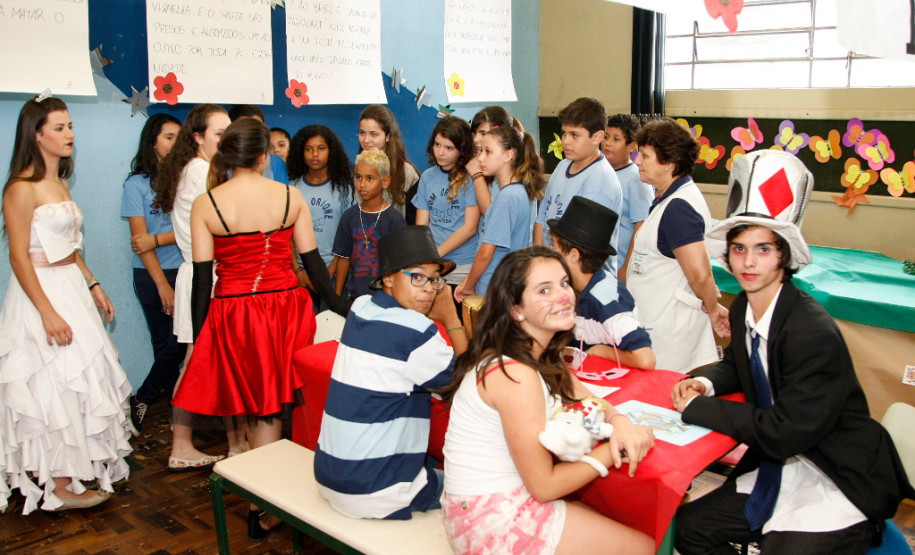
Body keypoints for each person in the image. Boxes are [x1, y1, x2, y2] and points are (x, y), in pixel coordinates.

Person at [672, 150, 914, 555]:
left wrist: (695, 408)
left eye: (763, 250)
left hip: (836, 477)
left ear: (784, 256)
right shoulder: (745, 307)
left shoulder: (811, 332)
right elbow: (738, 363)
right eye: (739, 248)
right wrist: (704, 382)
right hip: (778, 469)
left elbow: (783, 431)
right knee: (688, 529)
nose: (748, 262)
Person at [170, 117, 348, 540]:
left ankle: (260, 498)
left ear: (227, 156)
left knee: (250, 403)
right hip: (285, 307)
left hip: (233, 311)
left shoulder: (207, 203)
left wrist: (200, 337)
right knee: (271, 404)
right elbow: (315, 267)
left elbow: (201, 279)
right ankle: (263, 506)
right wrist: (344, 307)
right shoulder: (289, 196)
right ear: (265, 156)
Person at [440, 246, 655, 554]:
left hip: (487, 503)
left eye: (565, 283)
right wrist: (614, 449)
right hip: (491, 521)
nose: (564, 295)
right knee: (644, 546)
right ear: (517, 310)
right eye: (544, 290)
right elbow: (545, 487)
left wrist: (620, 422)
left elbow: (591, 399)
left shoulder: (536, 357)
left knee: (614, 521)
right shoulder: (515, 374)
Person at [0, 95, 134, 514]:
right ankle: (57, 486)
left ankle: (72, 468)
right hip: (40, 292)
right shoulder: (21, 188)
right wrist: (46, 312)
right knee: (53, 380)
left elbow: (69, 246)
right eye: (59, 127)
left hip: (70, 286)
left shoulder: (59, 183)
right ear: (36, 134)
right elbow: (19, 256)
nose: (70, 134)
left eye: (70, 125)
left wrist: (93, 283)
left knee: (83, 376)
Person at [315, 226, 468, 519]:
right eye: (417, 276)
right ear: (387, 278)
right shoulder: (418, 332)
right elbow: (472, 383)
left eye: (434, 279)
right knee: (480, 486)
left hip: (330, 473)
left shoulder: (360, 308)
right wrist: (450, 318)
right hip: (375, 489)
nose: (428, 288)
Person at [154, 103, 232, 469]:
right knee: (194, 364)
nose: (226, 139)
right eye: (219, 133)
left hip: (207, 273)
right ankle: (181, 444)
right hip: (206, 276)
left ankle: (224, 442)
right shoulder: (201, 171)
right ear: (198, 137)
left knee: (209, 363)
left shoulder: (202, 169)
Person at [626, 117, 729, 373]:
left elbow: (701, 275)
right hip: (656, 320)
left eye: (645, 156)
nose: (637, 161)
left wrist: (714, 309)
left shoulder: (678, 208)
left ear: (669, 164)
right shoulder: (667, 199)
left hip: (668, 331)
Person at [120, 113, 187, 433]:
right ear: (153, 142)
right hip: (151, 274)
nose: (175, 144)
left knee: (180, 342)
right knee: (166, 343)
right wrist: (162, 284)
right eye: (169, 137)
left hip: (185, 268)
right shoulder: (135, 184)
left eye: (179, 137)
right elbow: (139, 242)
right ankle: (174, 413)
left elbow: (193, 229)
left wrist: (159, 238)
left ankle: (146, 397)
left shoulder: (187, 178)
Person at [548, 196, 655, 369]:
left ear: (574, 256)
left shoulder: (606, 298)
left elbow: (645, 359)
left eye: (554, 246)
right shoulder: (574, 287)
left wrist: (602, 352)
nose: (550, 251)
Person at [453, 126, 543, 302]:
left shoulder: (507, 197)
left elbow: (486, 252)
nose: (480, 158)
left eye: (488, 152)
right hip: (502, 284)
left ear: (508, 156)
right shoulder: (515, 192)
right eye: (481, 151)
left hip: (495, 286)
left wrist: (468, 284)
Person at [534, 97, 623, 273]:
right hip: (553, 268)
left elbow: (583, 249)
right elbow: (541, 218)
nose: (566, 141)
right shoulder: (563, 165)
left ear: (597, 137)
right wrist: (540, 260)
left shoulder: (600, 180)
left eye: (574, 135)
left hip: (582, 276)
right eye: (564, 133)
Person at [287, 124, 355, 310]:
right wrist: (298, 271)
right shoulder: (293, 187)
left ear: (331, 151)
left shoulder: (343, 188)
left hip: (332, 273)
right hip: (301, 275)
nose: (314, 154)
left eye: (321, 148)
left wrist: (331, 269)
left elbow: (347, 235)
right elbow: (287, 236)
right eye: (308, 149)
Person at [413, 116, 479, 288]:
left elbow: (470, 228)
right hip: (433, 265)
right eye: (437, 144)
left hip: (463, 265)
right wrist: (425, 257)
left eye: (449, 147)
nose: (440, 152)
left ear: (461, 149)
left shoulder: (470, 178)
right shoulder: (427, 177)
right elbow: (422, 226)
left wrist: (436, 254)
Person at [331, 148, 406, 299]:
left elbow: (401, 266)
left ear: (385, 181)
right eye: (358, 177)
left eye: (370, 178)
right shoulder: (349, 217)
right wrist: (337, 297)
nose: (362, 184)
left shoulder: (395, 220)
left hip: (386, 299)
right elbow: (343, 259)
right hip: (355, 298)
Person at [603, 114, 654, 279]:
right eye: (606, 137)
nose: (608, 143)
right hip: (597, 266)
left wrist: (626, 269)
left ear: (631, 146)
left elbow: (641, 227)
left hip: (620, 267)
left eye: (616, 139)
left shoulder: (638, 178)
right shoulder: (599, 172)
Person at [358, 104, 420, 222]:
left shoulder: (406, 172)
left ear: (387, 136)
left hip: (396, 238)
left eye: (373, 134)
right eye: (362, 133)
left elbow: (415, 221)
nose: (366, 140)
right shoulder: (357, 169)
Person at [466, 105, 515, 218]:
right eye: (475, 132)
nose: (475, 139)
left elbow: (491, 215)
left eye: (483, 133)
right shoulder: (487, 166)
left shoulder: (508, 170)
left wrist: (477, 174)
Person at [226, 105, 288, 184]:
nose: (252, 133)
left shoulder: (276, 162)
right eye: (245, 127)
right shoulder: (222, 161)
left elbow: (282, 193)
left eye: (257, 126)